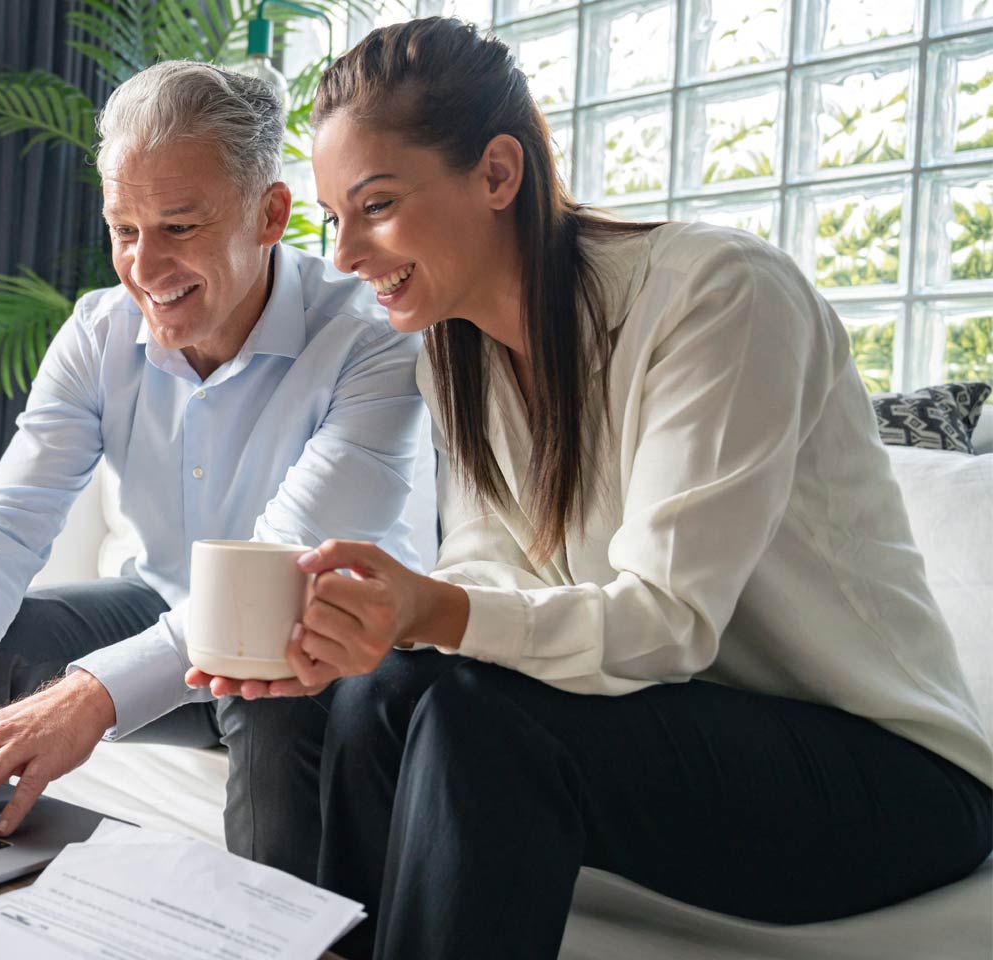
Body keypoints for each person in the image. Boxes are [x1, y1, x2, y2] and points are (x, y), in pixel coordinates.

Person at [192, 17, 993, 959]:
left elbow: (668, 622)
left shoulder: (720, 297)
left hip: (888, 778)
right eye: (335, 219)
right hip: (672, 732)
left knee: (480, 724)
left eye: (375, 205)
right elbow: (490, 578)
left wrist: (432, 609)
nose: (344, 256)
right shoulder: (457, 358)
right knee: (388, 689)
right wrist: (377, 624)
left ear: (497, 173)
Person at [0, 60, 425, 867]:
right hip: (159, 609)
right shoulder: (98, 332)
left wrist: (93, 697)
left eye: (179, 227)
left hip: (319, 647)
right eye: (124, 229)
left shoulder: (370, 340)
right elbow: (9, 515)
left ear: (270, 213)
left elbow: (277, 574)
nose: (142, 266)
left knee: (277, 687)